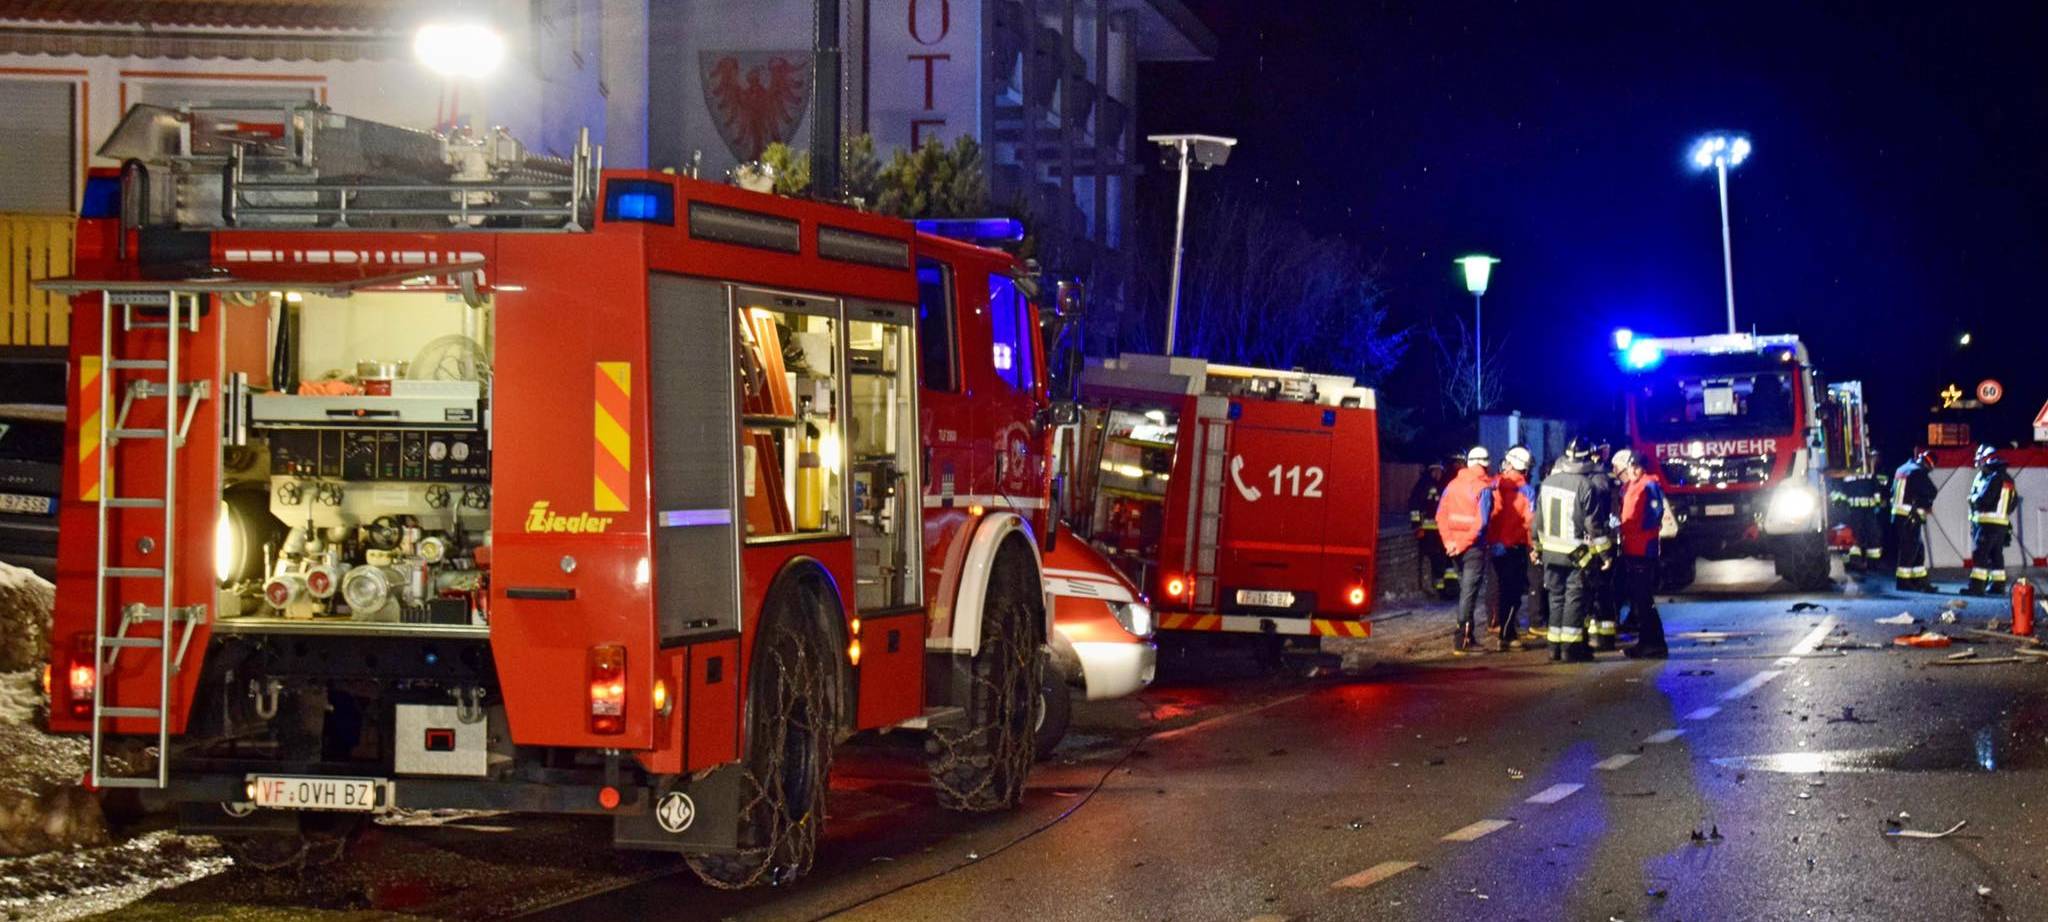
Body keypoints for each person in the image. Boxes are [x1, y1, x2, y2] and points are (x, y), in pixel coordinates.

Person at [1535, 438, 1613, 662]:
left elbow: (1537, 520)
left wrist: (1536, 546)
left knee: (1555, 598)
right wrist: (1605, 555)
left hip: (1550, 551)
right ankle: (1570, 649)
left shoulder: (1547, 482)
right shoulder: (1585, 486)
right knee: (1574, 598)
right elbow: (1593, 525)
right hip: (1575, 553)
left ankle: (1554, 648)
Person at [1436, 446, 1495, 654]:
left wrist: (1449, 542)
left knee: (1465, 592)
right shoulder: (1483, 488)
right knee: (1469, 594)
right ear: (1484, 465)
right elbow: (1481, 523)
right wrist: (1461, 543)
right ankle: (1462, 640)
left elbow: (1440, 517)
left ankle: (1467, 637)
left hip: (1454, 549)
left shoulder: (1452, 485)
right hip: (1472, 549)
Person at [1612, 449, 1668, 658]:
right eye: (1631, 467)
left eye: (1636, 467)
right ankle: (1649, 641)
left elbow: (1655, 513)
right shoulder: (1630, 486)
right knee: (1639, 598)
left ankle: (1653, 642)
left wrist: (1636, 530)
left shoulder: (1648, 484)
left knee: (1643, 599)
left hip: (1644, 548)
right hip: (1632, 547)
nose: (1633, 470)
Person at [1488, 446, 1537, 652]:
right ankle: (1508, 635)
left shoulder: (1494, 484)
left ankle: (1501, 628)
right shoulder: (1526, 490)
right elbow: (1530, 522)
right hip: (1515, 547)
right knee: (1513, 593)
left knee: (1499, 590)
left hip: (1495, 545)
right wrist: (1534, 547)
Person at [1965, 444, 2019, 596]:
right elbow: (2013, 502)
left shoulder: (1993, 478)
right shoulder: (2008, 479)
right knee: (1996, 555)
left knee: (1980, 554)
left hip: (1987, 524)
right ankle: (1997, 584)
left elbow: (1984, 499)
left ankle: (1976, 587)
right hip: (2001, 524)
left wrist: (1972, 499)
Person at [1585, 442, 1622, 650]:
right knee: (1603, 588)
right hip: (1602, 539)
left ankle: (1596, 634)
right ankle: (1605, 635)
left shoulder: (1591, 480)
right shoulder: (1605, 479)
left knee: (1593, 589)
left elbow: (1594, 518)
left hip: (1593, 541)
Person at [1891, 447, 1937, 593]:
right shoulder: (1917, 471)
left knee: (1917, 549)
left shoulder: (1902, 469)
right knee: (1909, 550)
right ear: (1927, 464)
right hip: (1909, 516)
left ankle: (1920, 581)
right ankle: (1903, 582)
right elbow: (1931, 491)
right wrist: (1926, 504)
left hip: (1899, 515)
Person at [1408, 461, 1453, 597]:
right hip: (1428, 533)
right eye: (1435, 471)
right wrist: (1417, 527)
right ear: (1431, 471)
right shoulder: (1423, 485)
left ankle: (1449, 589)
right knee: (1434, 559)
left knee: (1445, 559)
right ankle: (1440, 589)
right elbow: (1414, 506)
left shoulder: (1445, 485)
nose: (1437, 474)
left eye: (1440, 471)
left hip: (1443, 531)